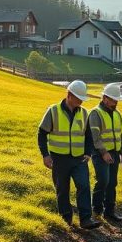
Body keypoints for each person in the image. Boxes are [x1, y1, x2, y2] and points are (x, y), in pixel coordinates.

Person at [37, 80, 100, 229]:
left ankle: (86, 219)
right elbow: (41, 134)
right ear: (70, 95)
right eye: (79, 98)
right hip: (59, 159)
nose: (81, 102)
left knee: (84, 186)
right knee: (62, 189)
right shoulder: (53, 111)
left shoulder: (84, 113)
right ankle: (66, 219)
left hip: (79, 159)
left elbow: (89, 136)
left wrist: (88, 153)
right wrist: (45, 155)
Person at [89, 83, 122, 222]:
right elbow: (95, 136)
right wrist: (104, 153)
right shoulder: (95, 113)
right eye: (113, 100)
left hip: (114, 153)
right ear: (105, 98)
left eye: (117, 100)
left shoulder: (117, 114)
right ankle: (96, 211)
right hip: (100, 154)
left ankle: (109, 212)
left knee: (112, 183)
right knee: (103, 181)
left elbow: (119, 135)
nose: (115, 103)